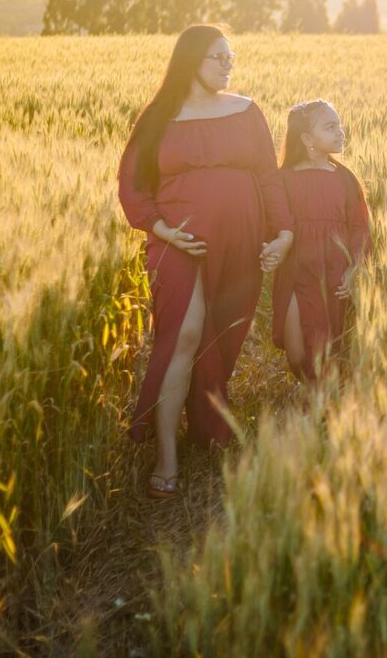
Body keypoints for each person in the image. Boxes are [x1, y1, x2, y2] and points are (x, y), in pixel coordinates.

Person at [117, 25, 294, 499]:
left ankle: (204, 425)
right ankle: (166, 454)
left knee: (221, 332)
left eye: (231, 56)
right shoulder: (158, 118)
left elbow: (268, 176)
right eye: (218, 56)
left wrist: (285, 232)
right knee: (184, 333)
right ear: (191, 59)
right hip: (179, 243)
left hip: (238, 241)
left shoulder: (246, 110)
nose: (227, 63)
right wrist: (163, 231)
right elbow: (132, 184)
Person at [271, 100, 371, 382]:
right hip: (295, 268)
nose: (340, 132)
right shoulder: (284, 179)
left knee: (325, 345)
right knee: (296, 352)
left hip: (333, 268)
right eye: (330, 127)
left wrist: (354, 268)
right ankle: (313, 391)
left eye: (339, 125)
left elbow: (359, 226)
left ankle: (320, 404)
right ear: (306, 139)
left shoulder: (345, 178)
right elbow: (275, 222)